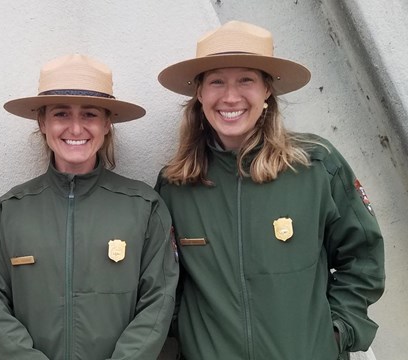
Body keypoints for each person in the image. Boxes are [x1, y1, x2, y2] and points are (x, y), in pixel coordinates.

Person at [154, 21, 385, 360]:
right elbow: (164, 285)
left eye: (246, 79)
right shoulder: (175, 184)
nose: (231, 96)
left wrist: (336, 333)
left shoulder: (315, 166)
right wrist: (189, 335)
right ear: (200, 93)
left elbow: (363, 257)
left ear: (267, 90)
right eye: (217, 81)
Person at [0, 54, 179, 359]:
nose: (75, 127)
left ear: (107, 123)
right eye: (61, 114)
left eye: (89, 114)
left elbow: (158, 303)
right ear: (42, 122)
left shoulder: (145, 207)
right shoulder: (10, 211)